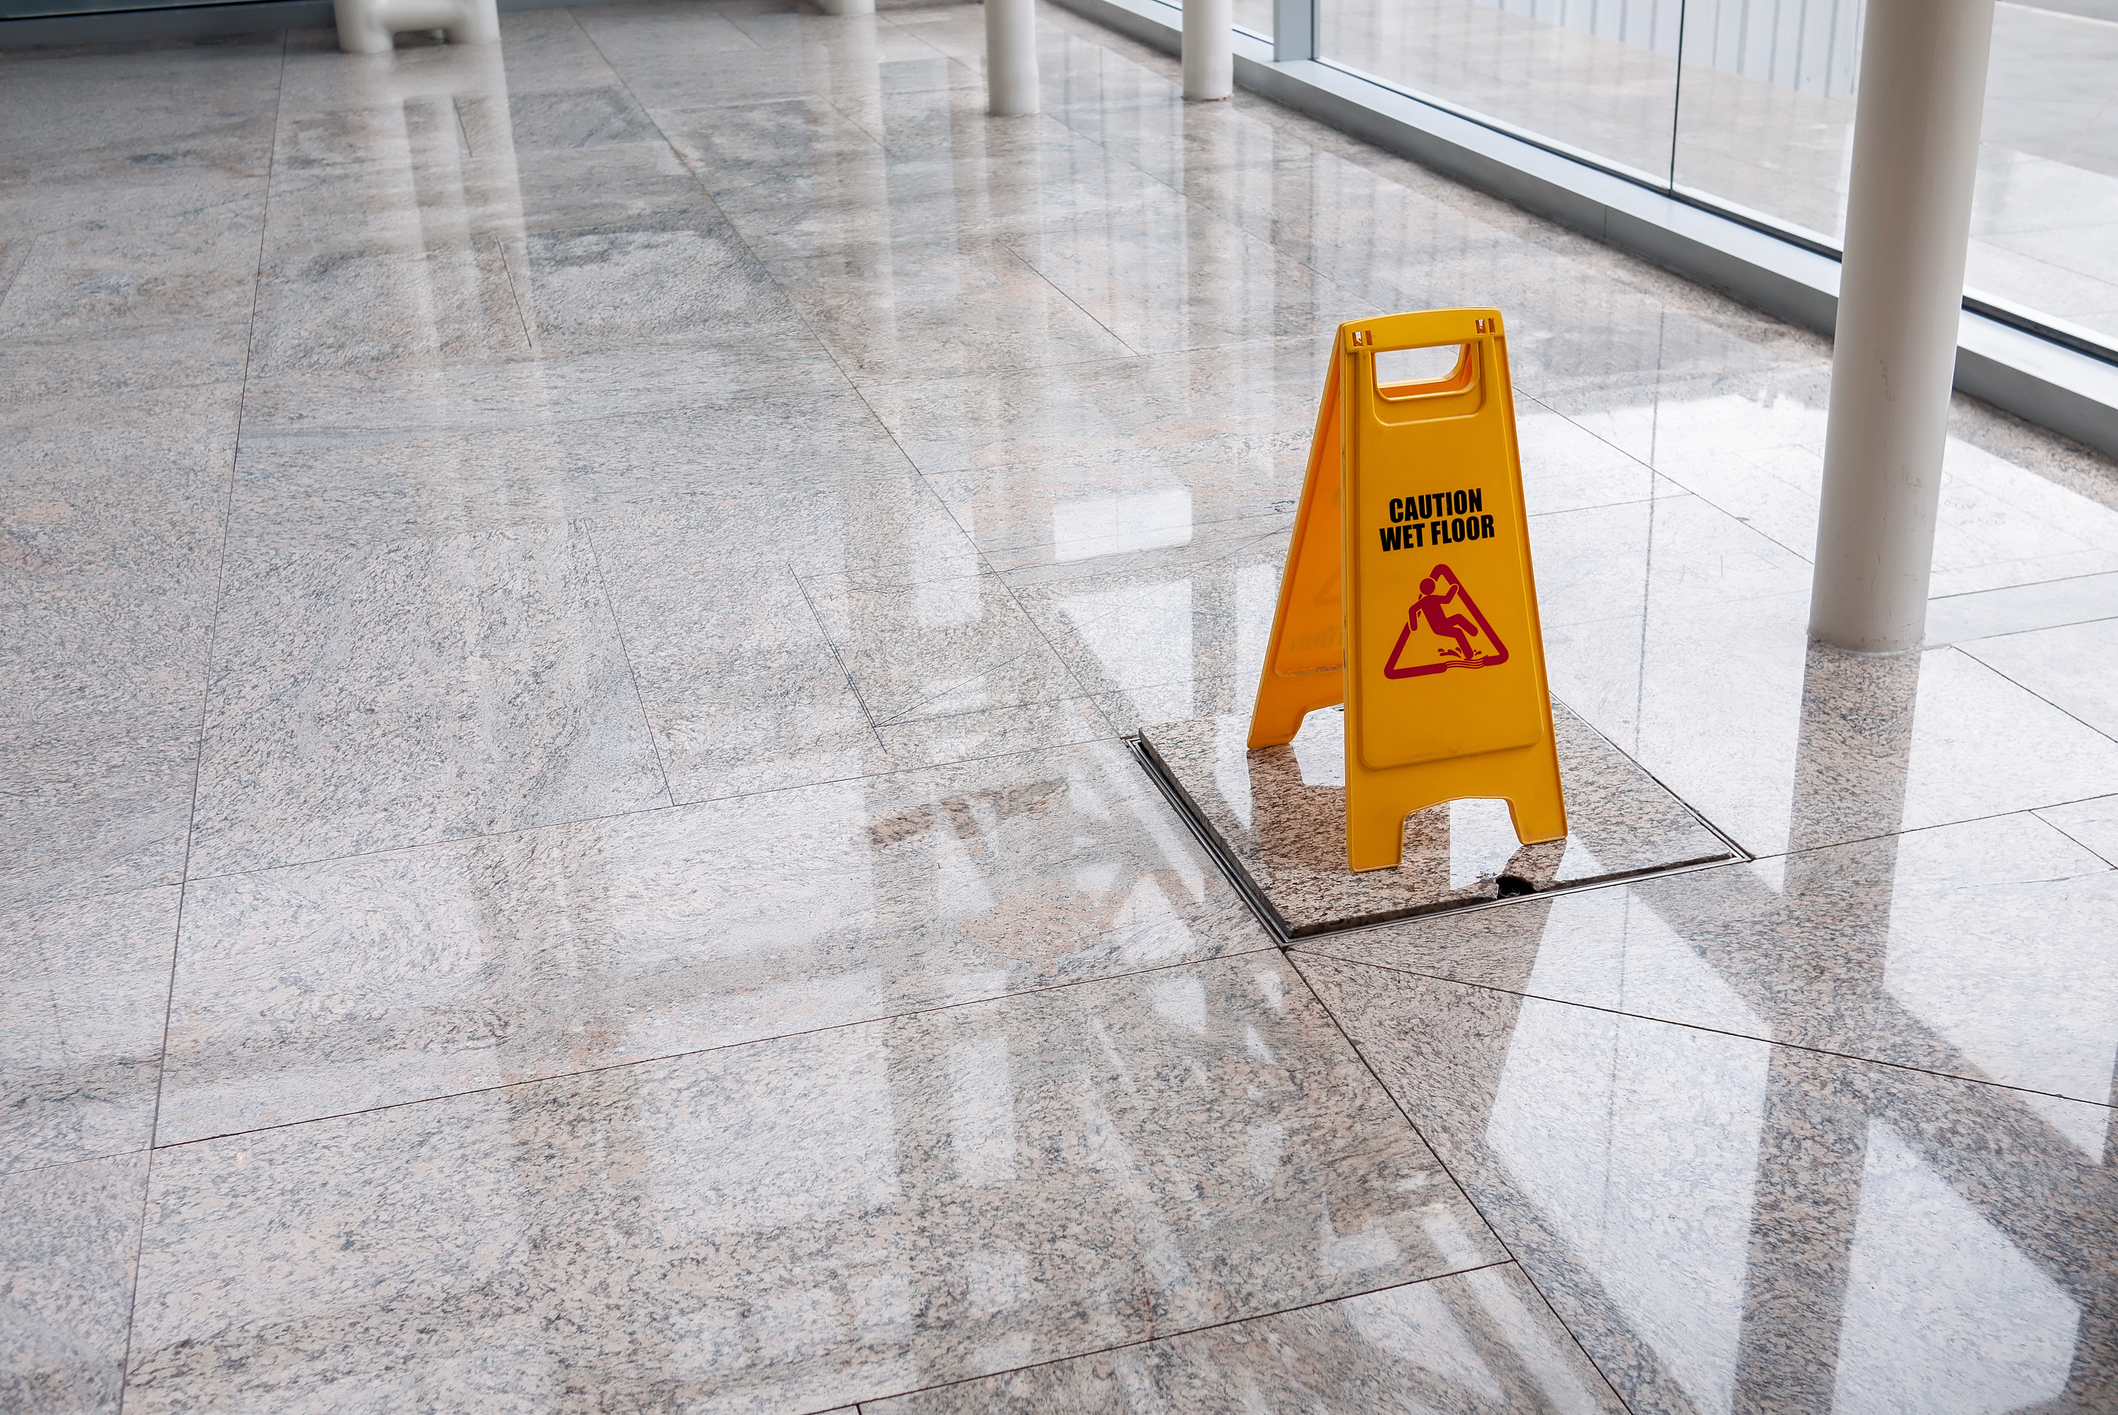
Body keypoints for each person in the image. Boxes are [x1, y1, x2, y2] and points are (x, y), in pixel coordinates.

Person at [1411, 572, 1481, 661]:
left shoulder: (1426, 600)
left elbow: (1412, 610)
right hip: (1439, 627)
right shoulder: (1430, 599)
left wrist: (1414, 625)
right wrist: (1454, 588)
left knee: (1458, 619)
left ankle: (1473, 632)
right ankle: (1469, 653)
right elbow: (1447, 599)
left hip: (1443, 623)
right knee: (1458, 631)